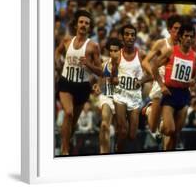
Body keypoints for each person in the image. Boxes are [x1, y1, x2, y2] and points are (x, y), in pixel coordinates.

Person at [55, 10, 102, 155]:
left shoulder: (93, 46)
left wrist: (88, 64)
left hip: (82, 86)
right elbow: (57, 52)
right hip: (66, 82)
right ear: (76, 24)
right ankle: (64, 151)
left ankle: (67, 141)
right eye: (81, 22)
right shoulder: (67, 40)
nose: (83, 25)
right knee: (68, 113)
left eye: (86, 23)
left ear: (89, 27)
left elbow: (100, 71)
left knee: (73, 124)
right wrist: (57, 64)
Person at [153, 23, 196, 150]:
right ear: (180, 37)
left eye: (191, 36)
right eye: (186, 36)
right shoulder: (170, 51)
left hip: (184, 94)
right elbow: (154, 67)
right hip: (170, 93)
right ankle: (161, 126)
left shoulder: (195, 56)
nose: (189, 39)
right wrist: (162, 85)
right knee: (169, 129)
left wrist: (194, 81)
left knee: (175, 134)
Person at [141, 15, 182, 135]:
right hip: (161, 81)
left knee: (171, 125)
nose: (178, 31)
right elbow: (145, 61)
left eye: (180, 28)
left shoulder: (183, 46)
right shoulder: (161, 43)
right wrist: (154, 75)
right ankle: (149, 110)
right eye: (175, 28)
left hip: (175, 83)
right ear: (169, 29)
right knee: (153, 128)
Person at [113, 24, 150, 152]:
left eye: (132, 35)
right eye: (127, 34)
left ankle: (122, 146)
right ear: (122, 37)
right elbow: (112, 77)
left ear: (135, 37)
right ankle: (118, 151)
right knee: (123, 130)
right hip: (121, 95)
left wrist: (141, 81)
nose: (130, 37)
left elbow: (152, 74)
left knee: (132, 134)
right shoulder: (117, 56)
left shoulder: (142, 54)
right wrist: (114, 79)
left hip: (134, 97)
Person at [96, 38, 123, 154]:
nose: (113, 53)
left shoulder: (125, 66)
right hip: (107, 97)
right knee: (104, 125)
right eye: (111, 51)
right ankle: (103, 153)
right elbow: (100, 83)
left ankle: (116, 151)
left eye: (116, 51)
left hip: (121, 99)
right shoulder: (104, 65)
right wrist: (97, 86)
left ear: (120, 51)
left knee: (119, 131)